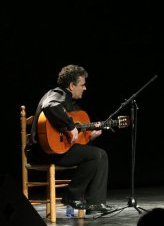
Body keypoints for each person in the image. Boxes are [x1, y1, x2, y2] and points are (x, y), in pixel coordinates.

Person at [29, 64, 115, 214]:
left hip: (58, 150)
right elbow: (50, 106)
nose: (85, 88)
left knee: (100, 154)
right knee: (96, 155)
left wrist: (90, 135)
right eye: (82, 85)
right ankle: (72, 195)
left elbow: (76, 137)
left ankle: (96, 203)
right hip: (44, 152)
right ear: (71, 85)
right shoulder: (57, 94)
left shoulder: (72, 104)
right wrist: (70, 126)